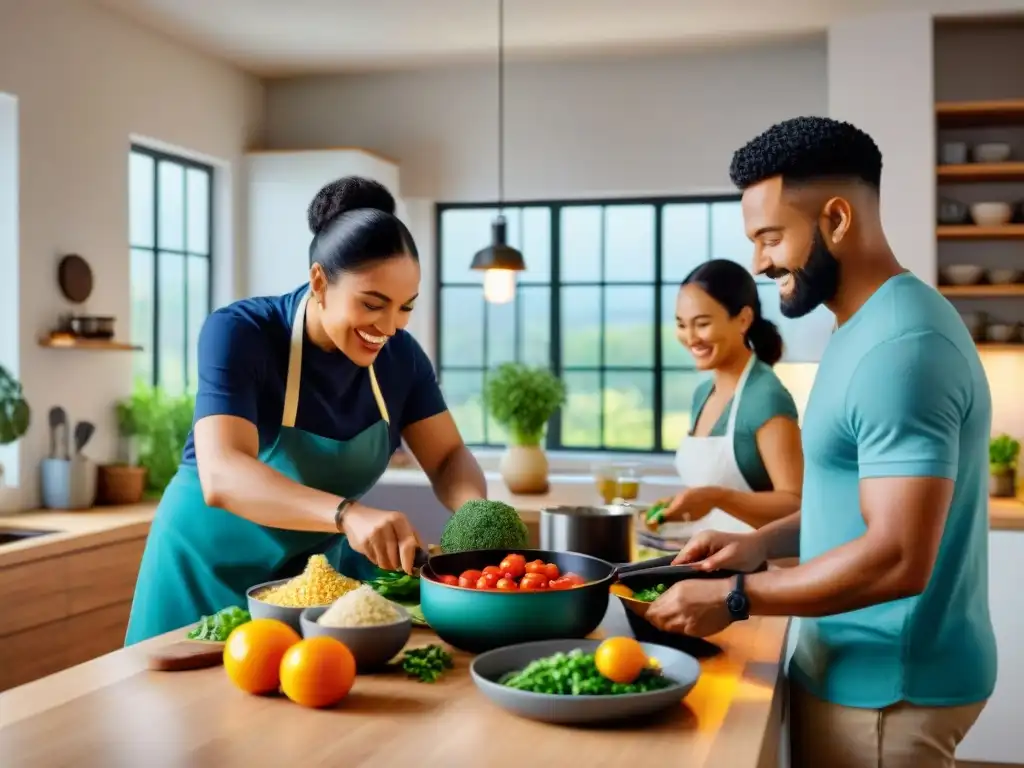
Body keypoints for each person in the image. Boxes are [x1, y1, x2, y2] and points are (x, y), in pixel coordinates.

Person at [646, 117, 996, 768]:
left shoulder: (901, 349)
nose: (758, 262)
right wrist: (758, 544)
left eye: (770, 237)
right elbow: (854, 509)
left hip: (888, 687)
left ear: (835, 219)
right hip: (855, 666)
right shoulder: (860, 329)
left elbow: (896, 556)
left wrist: (736, 596)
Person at [125, 176, 487, 645]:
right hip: (204, 574)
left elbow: (446, 456)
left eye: (405, 308)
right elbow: (223, 473)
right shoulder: (241, 332)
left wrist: (476, 515)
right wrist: (346, 514)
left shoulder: (402, 358)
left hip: (309, 589)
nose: (390, 326)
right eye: (373, 304)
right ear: (320, 280)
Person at [651, 259, 803, 535]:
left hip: (762, 567)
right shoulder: (703, 394)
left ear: (743, 319)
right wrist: (684, 504)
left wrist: (715, 498)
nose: (690, 337)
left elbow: (795, 504)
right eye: (682, 325)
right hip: (711, 559)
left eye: (702, 324)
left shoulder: (765, 397)